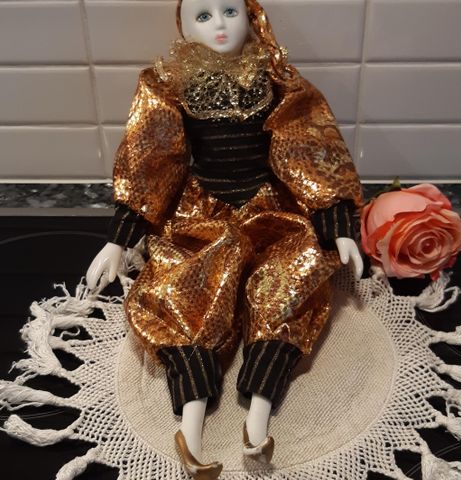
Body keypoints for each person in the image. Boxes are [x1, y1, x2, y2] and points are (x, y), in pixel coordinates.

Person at [87, 1, 364, 478]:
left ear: (251, 16)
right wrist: (122, 235)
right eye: (203, 16)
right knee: (187, 288)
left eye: (229, 11)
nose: (218, 24)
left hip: (270, 209)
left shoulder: (277, 80)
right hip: (202, 211)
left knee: (286, 278)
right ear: (183, 26)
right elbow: (153, 156)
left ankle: (259, 418)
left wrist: (334, 220)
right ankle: (191, 427)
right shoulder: (167, 84)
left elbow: (307, 144)